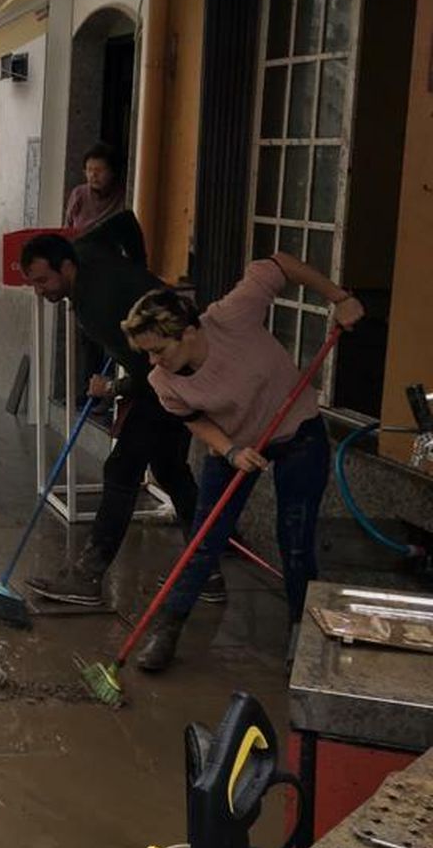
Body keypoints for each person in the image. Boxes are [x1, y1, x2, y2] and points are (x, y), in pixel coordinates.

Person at [120, 255, 364, 671]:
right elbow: (194, 419)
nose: (153, 362)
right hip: (232, 445)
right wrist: (231, 450)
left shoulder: (232, 315)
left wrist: (339, 298)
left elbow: (277, 265)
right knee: (203, 541)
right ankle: (169, 626)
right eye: (147, 353)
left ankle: (299, 632)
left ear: (189, 331)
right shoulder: (163, 381)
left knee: (295, 540)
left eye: (159, 350)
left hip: (298, 433)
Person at [18, 227, 203, 607]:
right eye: (33, 283)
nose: (40, 290)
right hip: (176, 358)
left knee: (121, 471)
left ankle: (87, 577)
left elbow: (150, 373)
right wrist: (139, 272)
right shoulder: (86, 248)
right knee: (169, 469)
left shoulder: (95, 308)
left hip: (174, 373)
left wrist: (112, 390)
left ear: (66, 266)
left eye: (43, 280)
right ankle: (208, 568)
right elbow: (127, 218)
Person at [65, 146, 126, 232]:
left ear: (113, 172)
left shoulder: (123, 196)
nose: (93, 175)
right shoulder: (78, 194)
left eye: (99, 170)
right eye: (89, 170)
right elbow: (67, 228)